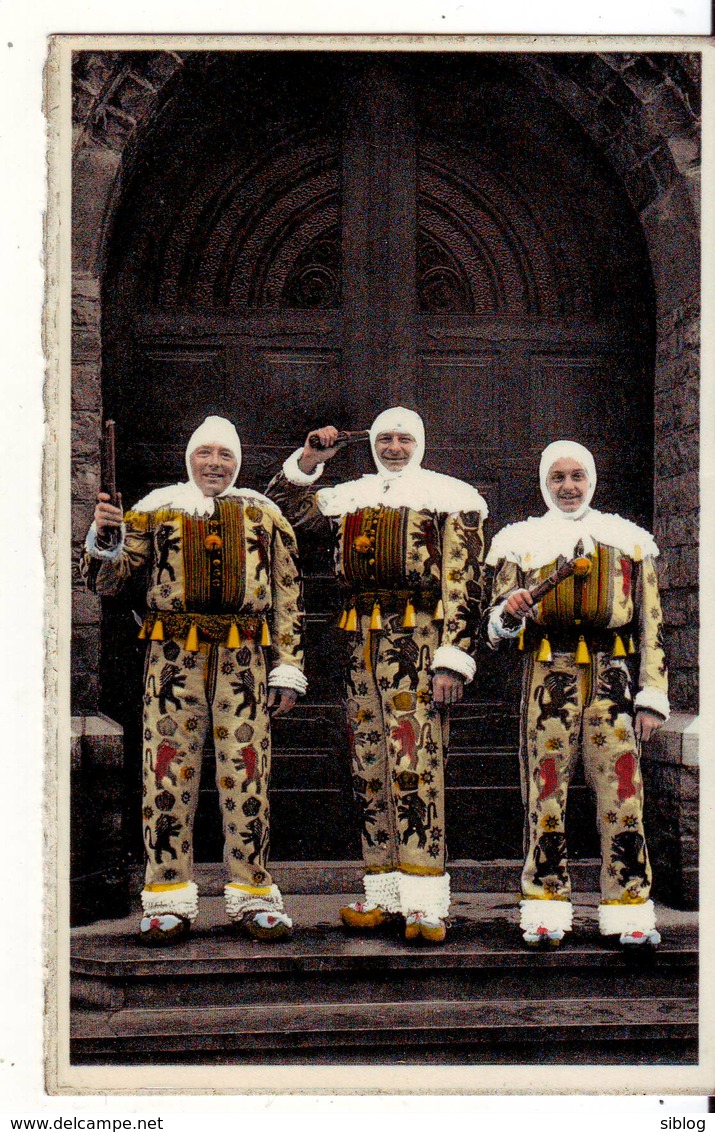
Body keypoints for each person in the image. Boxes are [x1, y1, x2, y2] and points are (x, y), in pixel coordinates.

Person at [81, 416, 307, 946]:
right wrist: (106, 532)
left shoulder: (264, 514)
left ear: (238, 462)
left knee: (247, 772)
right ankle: (166, 899)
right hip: (172, 660)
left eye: (224, 456)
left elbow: (288, 597)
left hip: (245, 661)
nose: (215, 464)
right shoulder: (155, 510)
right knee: (167, 772)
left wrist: (288, 667)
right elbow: (106, 581)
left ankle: (253, 895)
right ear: (189, 459)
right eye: (205, 454)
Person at [266, 408, 488, 943]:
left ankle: (425, 898)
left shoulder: (450, 497)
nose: (392, 447)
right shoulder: (352, 495)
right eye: (385, 438)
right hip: (360, 645)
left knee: (416, 761)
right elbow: (282, 510)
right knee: (370, 762)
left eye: (403, 439)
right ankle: (385, 890)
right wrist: (313, 458)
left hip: (420, 643)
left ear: (421, 443)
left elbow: (465, 582)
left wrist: (453, 656)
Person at [486, 440, 668, 949]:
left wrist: (651, 694)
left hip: (612, 679)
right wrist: (510, 609)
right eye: (558, 478)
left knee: (623, 789)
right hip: (549, 674)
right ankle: (544, 905)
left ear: (591, 480)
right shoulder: (520, 544)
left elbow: (651, 623)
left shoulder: (627, 542)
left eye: (577, 477)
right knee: (545, 790)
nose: (568, 487)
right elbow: (495, 623)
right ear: (545, 484)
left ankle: (629, 905)